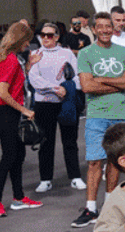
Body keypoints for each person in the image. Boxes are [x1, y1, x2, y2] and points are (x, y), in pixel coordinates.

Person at [72, 12, 125, 227]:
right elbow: (87, 86)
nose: (104, 30)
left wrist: (102, 79)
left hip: (121, 113)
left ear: (114, 28)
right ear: (93, 29)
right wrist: (120, 82)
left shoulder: (124, 51)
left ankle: (110, 207)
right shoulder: (85, 53)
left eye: (108, 26)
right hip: (97, 114)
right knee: (94, 161)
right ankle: (91, 208)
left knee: (114, 161)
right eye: (100, 26)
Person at [0, 22, 43, 218]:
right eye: (27, 40)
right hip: (8, 113)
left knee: (18, 156)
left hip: (10, 112)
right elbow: (2, 92)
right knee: (9, 157)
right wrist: (25, 111)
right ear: (20, 39)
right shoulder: (10, 60)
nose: (28, 44)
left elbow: (17, 85)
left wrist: (29, 65)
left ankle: (18, 197)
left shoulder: (11, 59)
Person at [27, 21, 83, 193]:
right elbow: (33, 78)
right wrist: (54, 89)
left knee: (70, 140)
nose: (46, 38)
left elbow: (76, 75)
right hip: (44, 103)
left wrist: (66, 89)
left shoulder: (67, 53)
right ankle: (45, 179)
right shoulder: (35, 53)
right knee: (45, 142)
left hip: (66, 102)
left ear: (57, 37)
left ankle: (75, 176)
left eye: (49, 35)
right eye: (42, 35)